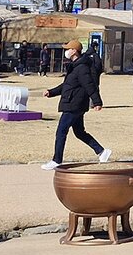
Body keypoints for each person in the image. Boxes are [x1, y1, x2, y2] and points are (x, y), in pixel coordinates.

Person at [41, 40, 110, 170]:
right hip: (73, 103)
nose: (66, 51)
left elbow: (89, 85)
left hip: (74, 104)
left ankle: (56, 160)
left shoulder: (81, 68)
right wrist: (51, 92)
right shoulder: (75, 66)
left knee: (61, 131)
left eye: (68, 49)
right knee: (79, 132)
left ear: (74, 51)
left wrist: (97, 101)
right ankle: (101, 151)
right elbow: (66, 86)